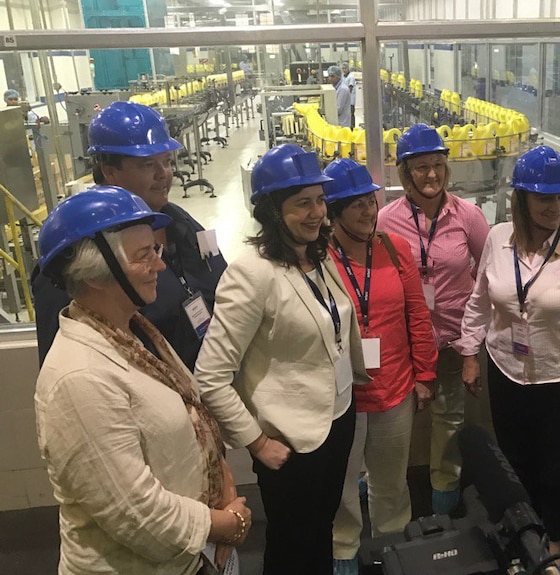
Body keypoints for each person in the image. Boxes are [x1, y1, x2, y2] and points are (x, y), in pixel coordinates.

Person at [34, 186, 251, 575]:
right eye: (145, 254)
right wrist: (227, 525)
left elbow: (194, 418)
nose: (160, 265)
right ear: (97, 272)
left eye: (157, 250)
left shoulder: (135, 333)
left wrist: (225, 489)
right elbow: (138, 515)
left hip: (193, 553)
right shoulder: (79, 378)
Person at [194, 144, 369, 574]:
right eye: (301, 203)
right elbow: (210, 376)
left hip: (336, 418)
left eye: (320, 200)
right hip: (290, 441)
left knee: (319, 530)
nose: (316, 213)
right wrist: (257, 442)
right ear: (272, 210)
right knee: (293, 543)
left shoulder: (315, 257)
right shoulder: (252, 273)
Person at [456, 146, 560, 573]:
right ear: (522, 199)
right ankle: (522, 539)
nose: (555, 207)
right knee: (515, 465)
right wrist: (470, 354)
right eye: (544, 198)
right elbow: (479, 302)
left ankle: (552, 547)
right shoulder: (497, 238)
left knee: (556, 470)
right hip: (506, 371)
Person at [31, 100, 227, 370]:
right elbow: (65, 362)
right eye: (148, 165)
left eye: (166, 162)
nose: (164, 175)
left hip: (208, 379)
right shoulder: (80, 251)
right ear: (109, 171)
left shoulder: (179, 222)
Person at [323, 158, 438, 575]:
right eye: (355, 205)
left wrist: (424, 375)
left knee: (391, 481)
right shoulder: (318, 259)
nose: (369, 211)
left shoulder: (394, 249)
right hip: (342, 398)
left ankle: (394, 546)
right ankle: (344, 549)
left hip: (394, 389)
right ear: (332, 211)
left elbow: (417, 315)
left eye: (370, 202)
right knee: (343, 486)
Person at [377, 123, 490, 515]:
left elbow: (489, 271)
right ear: (405, 174)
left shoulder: (468, 216)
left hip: (454, 339)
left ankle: (445, 489)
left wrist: (474, 334)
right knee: (393, 417)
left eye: (437, 165)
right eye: (421, 167)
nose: (431, 175)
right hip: (403, 340)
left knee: (449, 417)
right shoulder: (385, 221)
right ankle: (382, 493)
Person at [342, 63, 356, 128]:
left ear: (348, 68)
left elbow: (350, 87)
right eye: (343, 68)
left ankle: (352, 128)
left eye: (345, 68)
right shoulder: (343, 77)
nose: (344, 70)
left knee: (351, 114)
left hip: (350, 100)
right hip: (345, 100)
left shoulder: (351, 77)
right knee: (346, 115)